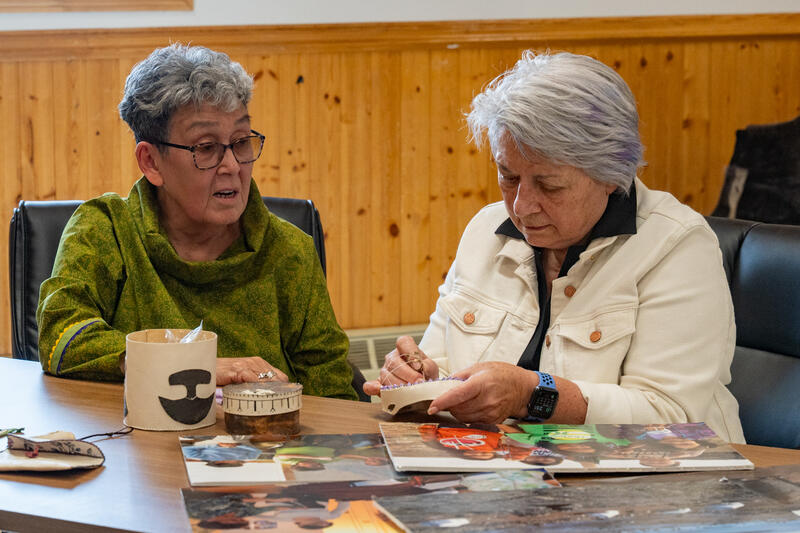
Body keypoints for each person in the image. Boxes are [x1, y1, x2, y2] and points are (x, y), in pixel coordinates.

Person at [364, 50, 744, 442]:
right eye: (508, 176)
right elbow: (440, 366)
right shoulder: (485, 231)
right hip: (508, 479)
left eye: (550, 185)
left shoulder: (676, 246)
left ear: (612, 173)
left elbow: (670, 416)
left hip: (665, 485)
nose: (522, 206)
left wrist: (532, 395)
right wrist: (415, 378)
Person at [36, 44, 356, 400]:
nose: (232, 166)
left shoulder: (289, 251)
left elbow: (333, 393)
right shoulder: (106, 230)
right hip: (135, 447)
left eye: (241, 142)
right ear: (151, 162)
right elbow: (62, 339)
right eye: (206, 147)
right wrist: (193, 364)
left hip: (264, 447)